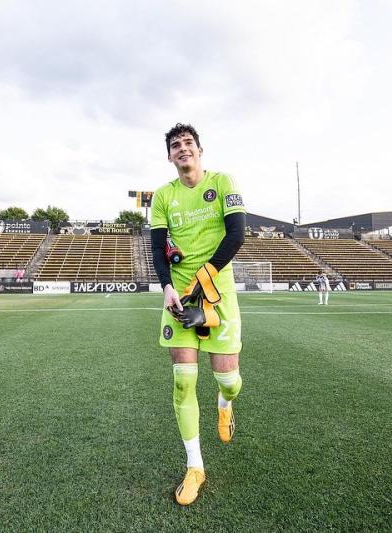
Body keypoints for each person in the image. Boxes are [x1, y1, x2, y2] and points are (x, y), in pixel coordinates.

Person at [150, 123, 246, 506]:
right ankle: (195, 467)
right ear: (170, 156)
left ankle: (226, 406)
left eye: (188, 143)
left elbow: (237, 235)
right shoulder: (162, 196)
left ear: (200, 150)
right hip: (180, 300)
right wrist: (168, 287)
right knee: (183, 381)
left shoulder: (223, 182)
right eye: (176, 146)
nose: (182, 149)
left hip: (218, 294)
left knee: (230, 381)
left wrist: (204, 279)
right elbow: (157, 249)